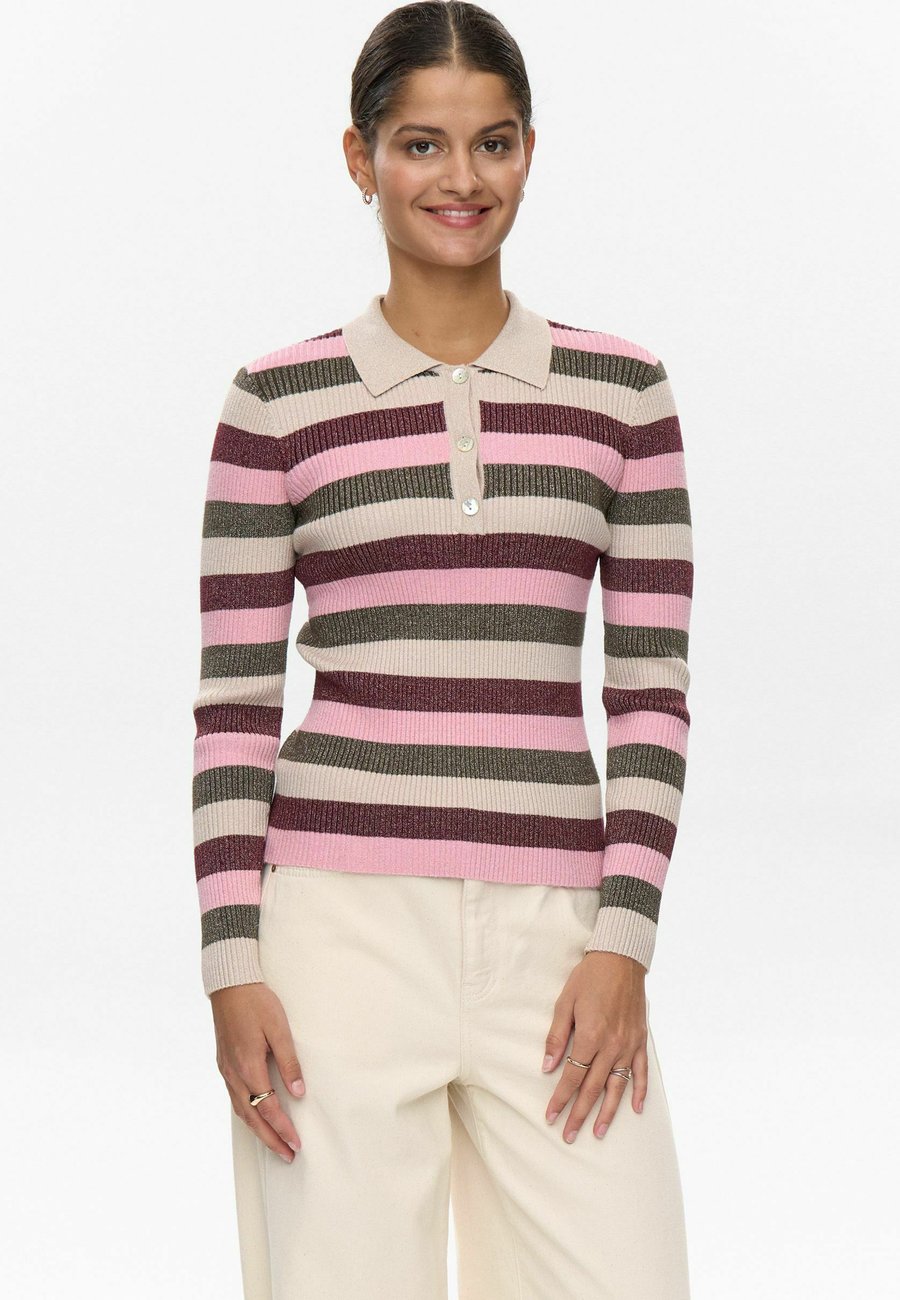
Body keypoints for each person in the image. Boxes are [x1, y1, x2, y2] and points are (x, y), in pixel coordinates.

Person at [191, 3, 694, 1296]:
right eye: (420, 144)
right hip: (336, 934)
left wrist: (623, 941)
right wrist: (231, 966)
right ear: (359, 158)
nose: (460, 179)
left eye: (493, 142)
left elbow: (650, 695)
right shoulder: (276, 402)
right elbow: (235, 705)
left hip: (558, 936)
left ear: (530, 152)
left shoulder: (622, 395)